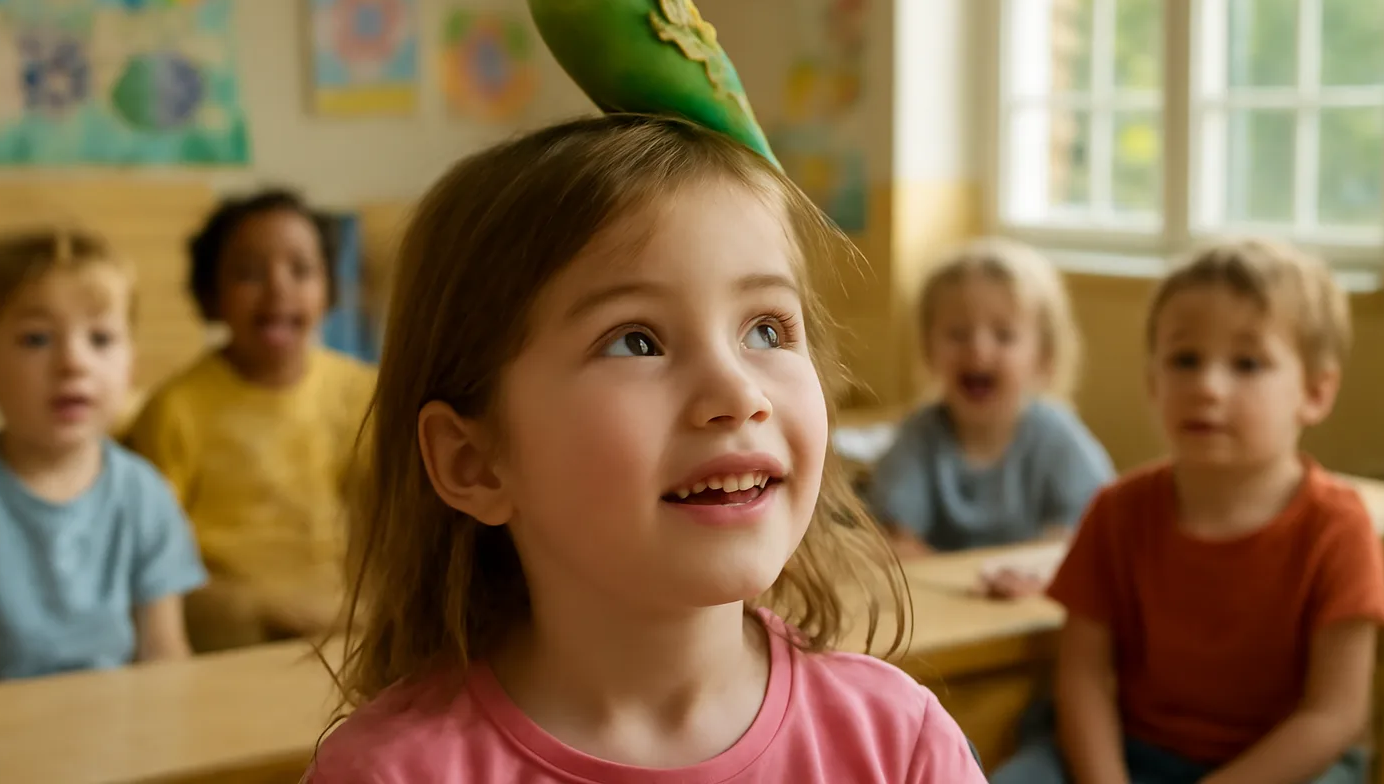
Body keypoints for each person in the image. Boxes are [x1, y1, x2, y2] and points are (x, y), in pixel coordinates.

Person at [307, 115, 986, 781]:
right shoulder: (389, 773)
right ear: (474, 461)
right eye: (636, 340)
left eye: (767, 330)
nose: (737, 391)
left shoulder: (899, 746)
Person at [992, 237, 1384, 784]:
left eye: (1247, 364)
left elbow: (1335, 716)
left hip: (1284, 768)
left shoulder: (1337, 528)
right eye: (1184, 359)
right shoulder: (1116, 511)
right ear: (1153, 381)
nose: (1207, 386)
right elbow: (1083, 678)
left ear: (1315, 393)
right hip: (1135, 754)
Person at [0, 230, 204, 692]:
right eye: (36, 339)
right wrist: (26, 728)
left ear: (130, 367)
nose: (73, 362)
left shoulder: (146, 494)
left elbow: (165, 653)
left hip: (118, 736)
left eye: (100, 338)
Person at [128, 189, 375, 651]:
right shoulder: (176, 408)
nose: (278, 287)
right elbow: (149, 552)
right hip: (230, 625)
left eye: (301, 270)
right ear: (211, 295)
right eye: (248, 273)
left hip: (351, 617)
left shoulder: (366, 392)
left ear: (329, 289)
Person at [866, 237, 1112, 597]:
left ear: (1043, 355)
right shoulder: (920, 436)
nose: (978, 349)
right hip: (941, 612)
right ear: (928, 347)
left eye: (1004, 335)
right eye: (957, 333)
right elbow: (891, 540)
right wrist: (970, 585)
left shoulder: (1057, 437)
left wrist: (1030, 577)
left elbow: (1091, 539)